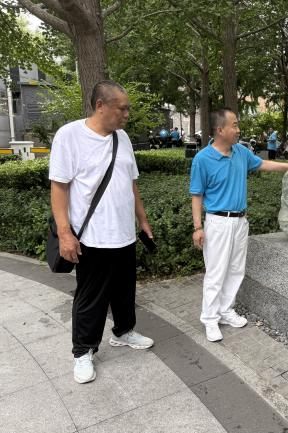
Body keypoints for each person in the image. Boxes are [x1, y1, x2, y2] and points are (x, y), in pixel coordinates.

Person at [49, 80, 154, 384]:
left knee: (124, 291)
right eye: (122, 108)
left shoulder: (123, 138)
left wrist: (143, 220)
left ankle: (123, 331)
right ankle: (83, 351)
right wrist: (65, 234)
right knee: (91, 297)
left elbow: (131, 183)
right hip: (92, 238)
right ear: (100, 106)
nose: (127, 114)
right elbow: (59, 187)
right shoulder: (70, 136)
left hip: (124, 234)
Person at [190, 108, 288, 342]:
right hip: (218, 222)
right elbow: (197, 194)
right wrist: (198, 227)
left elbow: (263, 164)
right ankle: (210, 318)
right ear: (220, 130)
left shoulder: (240, 152)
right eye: (234, 125)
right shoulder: (202, 159)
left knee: (236, 269)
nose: (238, 129)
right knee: (216, 273)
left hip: (240, 221)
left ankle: (226, 311)